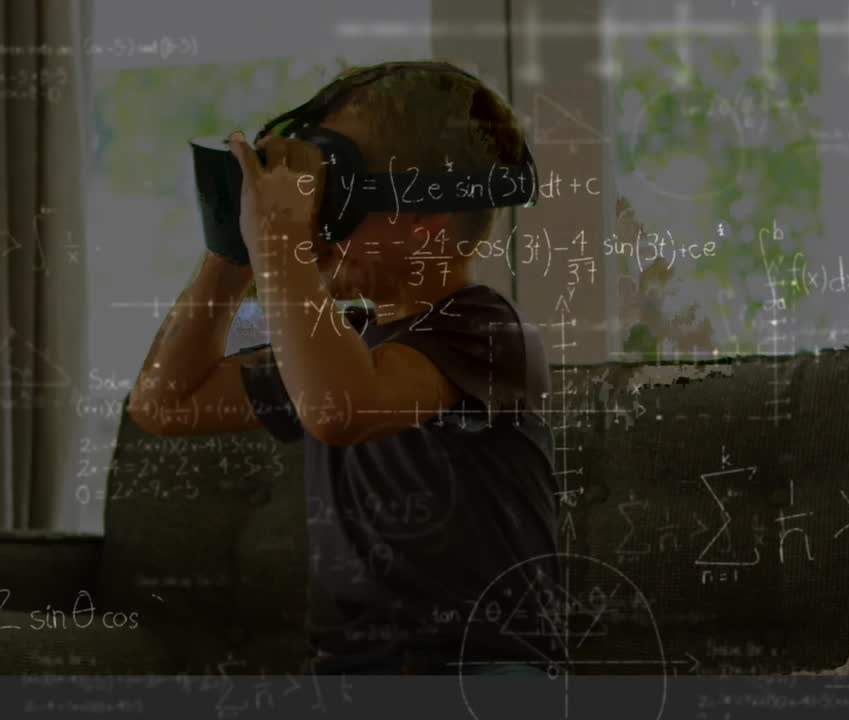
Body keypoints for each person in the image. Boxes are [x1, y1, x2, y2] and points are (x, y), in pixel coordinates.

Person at [127, 61, 559, 676]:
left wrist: (279, 243)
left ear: (424, 215)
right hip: (348, 676)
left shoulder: (491, 333)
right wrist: (230, 251)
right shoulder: (342, 342)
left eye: (334, 195)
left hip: (485, 677)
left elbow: (338, 408)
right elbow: (163, 405)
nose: (315, 223)